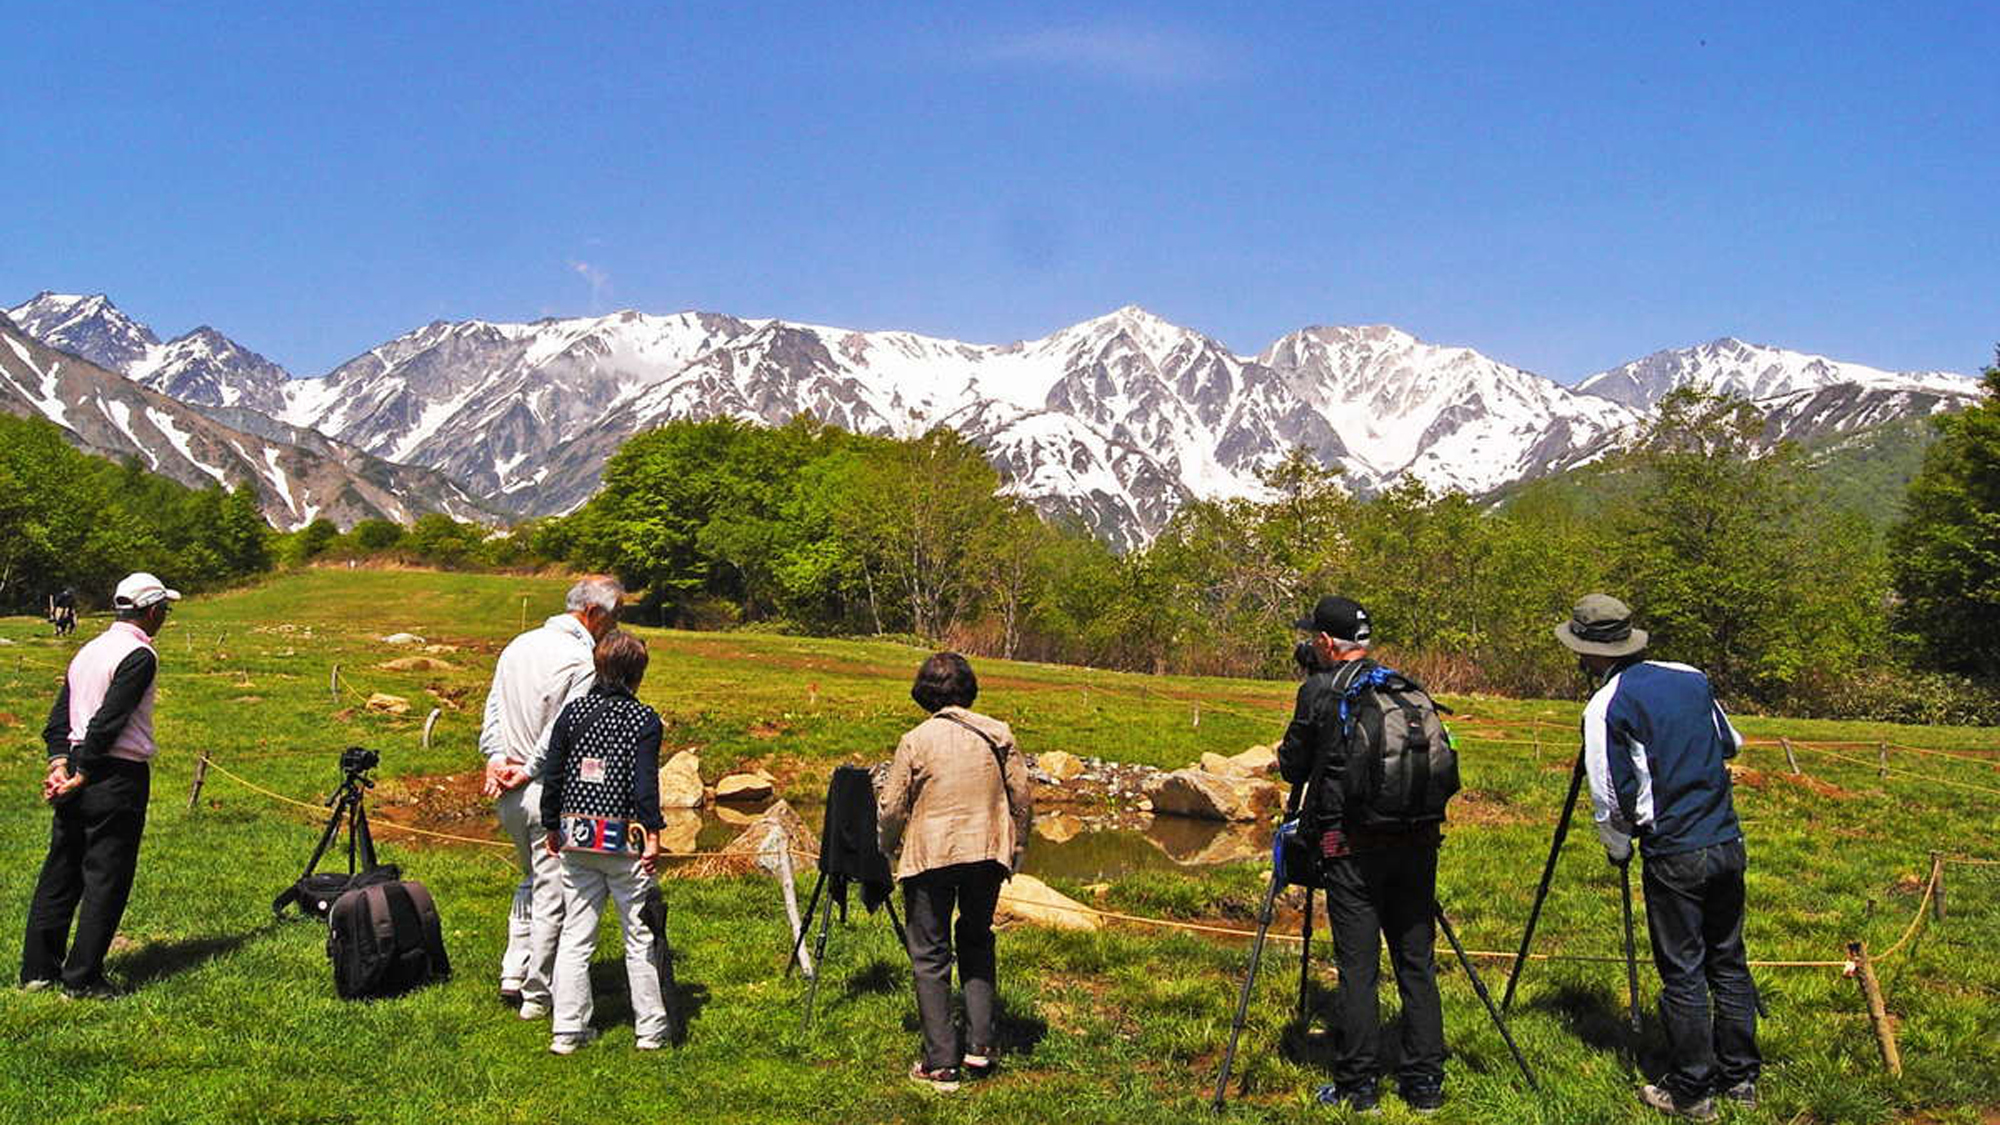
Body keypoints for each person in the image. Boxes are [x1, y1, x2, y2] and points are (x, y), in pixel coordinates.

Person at [1557, 594, 1760, 1122]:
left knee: (1684, 968)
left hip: (1674, 849)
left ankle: (1692, 1089)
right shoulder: (1689, 676)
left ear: (1590, 652)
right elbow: (1730, 742)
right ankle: (1741, 1077)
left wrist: (1617, 845)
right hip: (1726, 838)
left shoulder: (1605, 705)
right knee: (1728, 958)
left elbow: (1607, 793)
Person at [1276, 595, 1447, 1114]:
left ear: (1327, 643)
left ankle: (1359, 1086)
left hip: (1350, 847)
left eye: (1314, 639)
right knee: (1416, 962)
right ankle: (1424, 1086)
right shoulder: (1404, 685)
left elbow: (1292, 766)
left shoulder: (1320, 690)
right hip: (1417, 843)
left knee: (1359, 968)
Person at [876, 652, 1032, 1093]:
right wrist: (1018, 845)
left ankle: (941, 1064)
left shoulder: (916, 739)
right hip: (986, 852)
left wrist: (886, 849)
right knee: (978, 938)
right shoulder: (998, 731)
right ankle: (980, 1046)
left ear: (923, 692)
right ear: (970, 687)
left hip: (932, 855)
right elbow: (1021, 793)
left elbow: (891, 806)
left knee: (929, 954)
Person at [22, 573, 180, 996]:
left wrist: (61, 762)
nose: (165, 617)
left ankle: (38, 970)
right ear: (150, 611)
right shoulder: (139, 655)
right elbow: (110, 720)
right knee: (106, 875)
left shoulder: (89, 649)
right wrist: (84, 773)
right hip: (114, 773)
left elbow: (61, 716)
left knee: (62, 870)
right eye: (164, 610)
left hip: (77, 760)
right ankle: (83, 977)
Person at [479, 574, 623, 1020]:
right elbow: (562, 731)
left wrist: (496, 757)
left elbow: (494, 710)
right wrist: (526, 770)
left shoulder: (518, 645)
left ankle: (513, 971)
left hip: (508, 789)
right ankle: (538, 993)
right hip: (545, 789)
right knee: (554, 894)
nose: (615, 627)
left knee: (529, 878)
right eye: (614, 617)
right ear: (593, 613)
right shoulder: (582, 659)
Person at [539, 630, 670, 1055]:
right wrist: (652, 834)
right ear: (637, 674)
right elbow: (645, 783)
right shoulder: (644, 719)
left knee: (576, 935)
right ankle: (650, 1030)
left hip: (577, 835)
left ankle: (567, 1031)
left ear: (599, 666)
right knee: (639, 935)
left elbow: (554, 774)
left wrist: (550, 826)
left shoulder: (574, 713)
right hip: (624, 838)